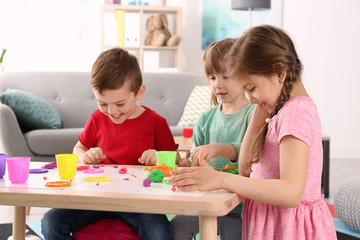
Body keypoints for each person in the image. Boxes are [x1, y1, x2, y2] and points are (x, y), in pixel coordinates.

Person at [169, 25, 337, 240]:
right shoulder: (278, 112)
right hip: (271, 222)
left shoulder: (296, 114)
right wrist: (257, 117)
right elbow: (245, 168)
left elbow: (291, 193)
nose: (249, 99)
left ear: (279, 72)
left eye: (251, 88)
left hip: (290, 229)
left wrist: (220, 179)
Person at [41, 48, 177, 240]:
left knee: (159, 232)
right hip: (97, 197)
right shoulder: (97, 119)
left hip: (140, 202)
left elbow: (175, 162)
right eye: (102, 103)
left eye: (120, 104)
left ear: (139, 92)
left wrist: (159, 158)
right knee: (50, 222)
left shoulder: (156, 122)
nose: (112, 111)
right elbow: (78, 148)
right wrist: (85, 156)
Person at [172, 38, 254, 240]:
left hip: (239, 208)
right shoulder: (205, 119)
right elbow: (193, 159)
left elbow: (252, 153)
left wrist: (220, 148)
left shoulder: (253, 114)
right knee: (175, 228)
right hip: (203, 202)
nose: (218, 84)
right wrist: (183, 161)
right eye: (212, 78)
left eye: (226, 76)